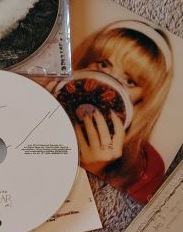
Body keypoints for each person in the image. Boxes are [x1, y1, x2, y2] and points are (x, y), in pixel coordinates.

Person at [68, 20, 173, 203]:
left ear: (144, 99)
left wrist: (93, 170)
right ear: (86, 61)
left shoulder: (147, 167)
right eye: (103, 64)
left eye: (130, 81)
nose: (107, 82)